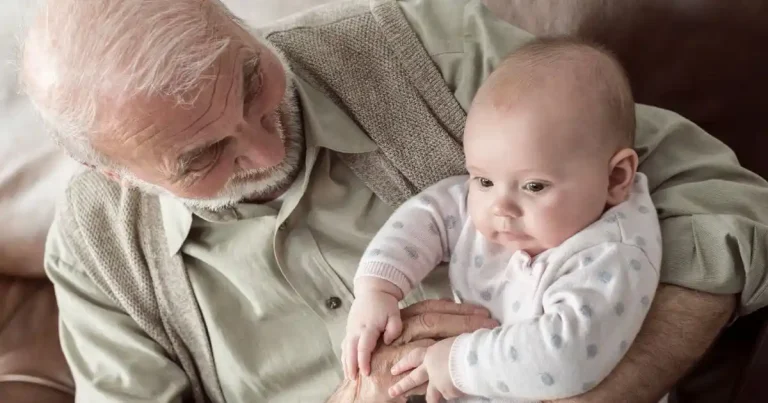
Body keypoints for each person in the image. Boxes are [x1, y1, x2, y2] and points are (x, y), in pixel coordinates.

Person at [18, 0, 768, 402]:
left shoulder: (426, 55)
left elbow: (723, 203)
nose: (267, 151)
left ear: (232, 19)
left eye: (251, 84)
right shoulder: (99, 252)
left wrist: (600, 387)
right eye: (203, 157)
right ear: (112, 172)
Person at [343, 38, 662, 403]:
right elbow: (427, 214)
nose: (501, 207)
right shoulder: (493, 206)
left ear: (616, 178)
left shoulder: (612, 254)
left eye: (534, 186)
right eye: (483, 180)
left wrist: (457, 362)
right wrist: (377, 289)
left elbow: (566, 357)